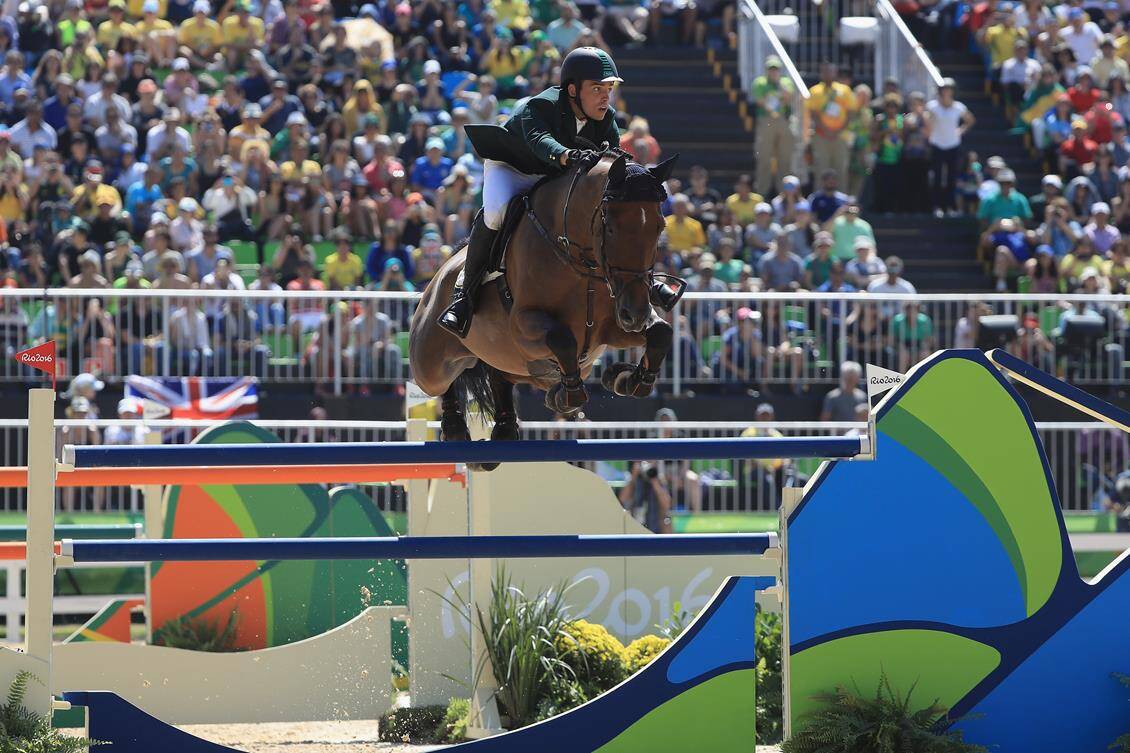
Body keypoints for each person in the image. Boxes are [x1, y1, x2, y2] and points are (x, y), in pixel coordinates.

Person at [439, 47, 673, 337]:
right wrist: (565, 155)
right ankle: (463, 296)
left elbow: (616, 160)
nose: (605, 97)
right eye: (597, 88)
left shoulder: (605, 118)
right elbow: (540, 140)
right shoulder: (539, 106)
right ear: (573, 90)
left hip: (554, 177)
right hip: (513, 169)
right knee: (497, 212)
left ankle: (645, 283)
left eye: (608, 89)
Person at [751, 55, 796, 196]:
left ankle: (784, 194)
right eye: (771, 69)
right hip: (767, 120)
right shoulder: (760, 82)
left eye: (776, 69)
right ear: (766, 70)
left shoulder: (786, 82)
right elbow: (760, 101)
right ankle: (762, 193)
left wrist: (779, 85)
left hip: (783, 120)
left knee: (784, 159)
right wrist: (773, 99)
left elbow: (789, 97)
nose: (773, 72)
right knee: (764, 158)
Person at [618, 460, 673, 533]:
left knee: (667, 521)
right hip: (636, 525)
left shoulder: (659, 480)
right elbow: (623, 499)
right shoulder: (633, 479)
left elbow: (667, 505)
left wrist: (654, 481)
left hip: (655, 527)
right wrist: (634, 476)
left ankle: (666, 543)